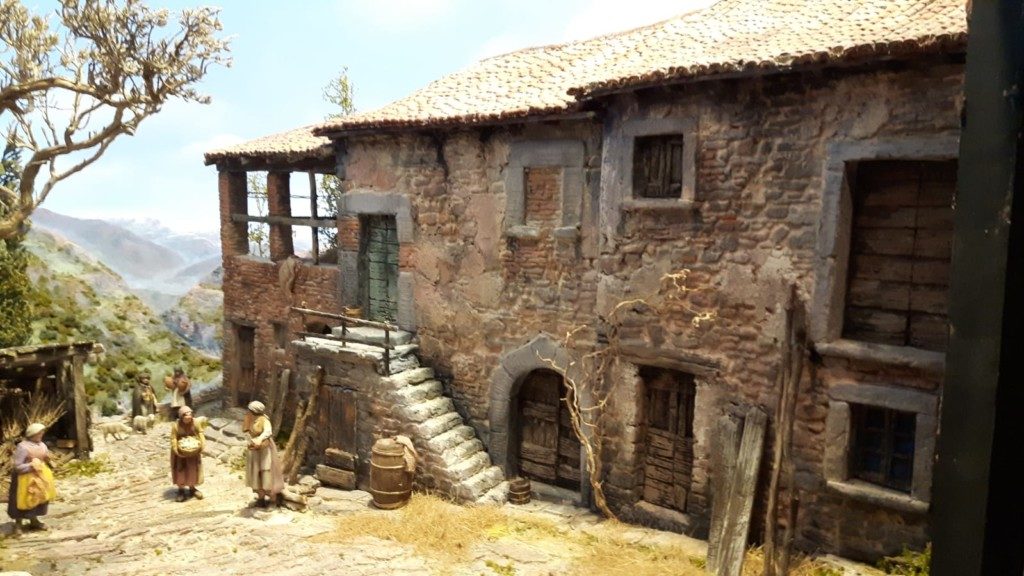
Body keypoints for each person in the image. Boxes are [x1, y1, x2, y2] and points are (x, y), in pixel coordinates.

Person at [7, 422, 56, 536]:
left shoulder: (42, 445)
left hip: (39, 476)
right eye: (39, 433)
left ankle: (34, 520)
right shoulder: (23, 447)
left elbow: (44, 457)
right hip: (24, 478)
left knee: (37, 497)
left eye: (42, 433)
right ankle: (18, 524)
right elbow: (18, 466)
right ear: (32, 434)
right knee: (22, 499)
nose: (41, 435)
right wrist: (31, 465)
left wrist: (48, 460)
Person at [243, 401, 284, 508]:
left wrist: (259, 439)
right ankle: (260, 498)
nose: (248, 412)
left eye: (250, 410)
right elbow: (247, 431)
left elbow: (268, 432)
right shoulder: (250, 419)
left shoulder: (264, 420)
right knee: (256, 473)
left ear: (254, 411)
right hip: (254, 450)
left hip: (264, 450)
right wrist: (249, 440)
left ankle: (273, 500)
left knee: (266, 472)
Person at [169, 406, 204, 502]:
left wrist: (202, 445)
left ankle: (192, 488)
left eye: (190, 418)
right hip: (181, 454)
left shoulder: (196, 423)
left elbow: (200, 433)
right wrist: (176, 449)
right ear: (181, 417)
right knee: (181, 471)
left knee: (192, 470)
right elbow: (173, 438)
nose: (188, 420)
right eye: (186, 419)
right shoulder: (176, 426)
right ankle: (181, 490)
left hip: (193, 452)